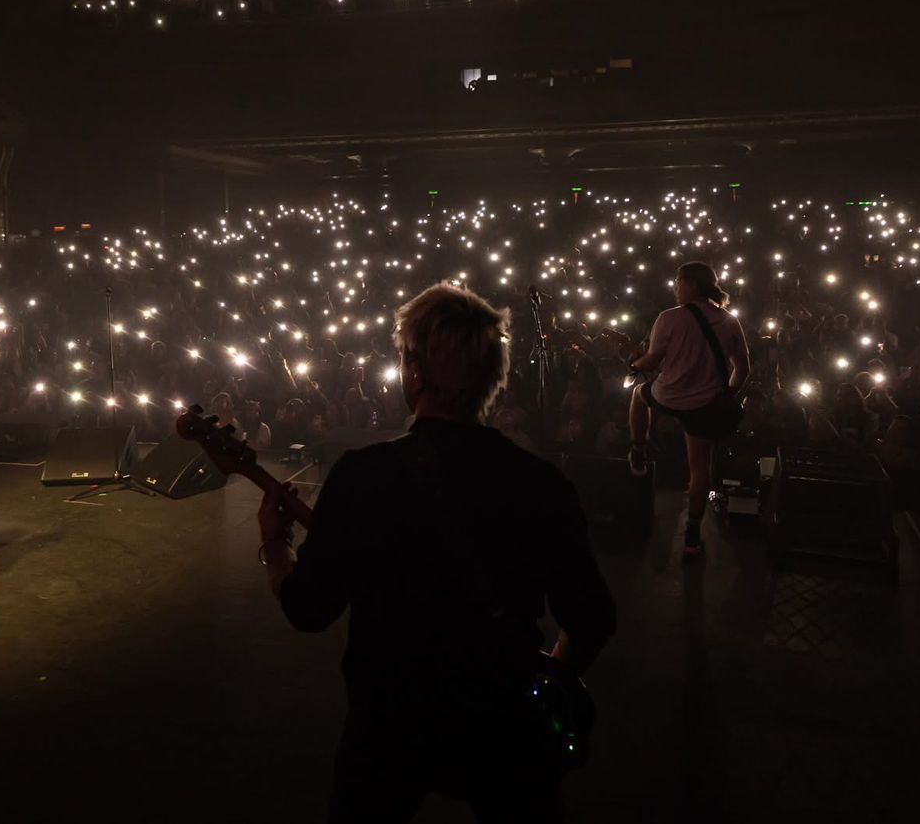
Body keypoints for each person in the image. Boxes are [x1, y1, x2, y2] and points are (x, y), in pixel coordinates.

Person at [256, 283, 615, 821]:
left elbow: (308, 608)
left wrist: (275, 542)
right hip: (503, 719)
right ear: (493, 380)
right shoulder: (541, 483)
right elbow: (591, 618)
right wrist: (546, 677)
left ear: (416, 373)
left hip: (390, 722)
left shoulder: (364, 475)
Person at [626, 262, 750, 558]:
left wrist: (633, 364)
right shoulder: (731, 321)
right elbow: (743, 369)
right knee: (699, 470)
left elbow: (652, 361)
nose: (675, 288)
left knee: (637, 397)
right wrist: (727, 394)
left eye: (678, 282)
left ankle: (638, 450)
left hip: (668, 395)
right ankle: (692, 537)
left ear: (693, 284)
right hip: (706, 405)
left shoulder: (669, 318)